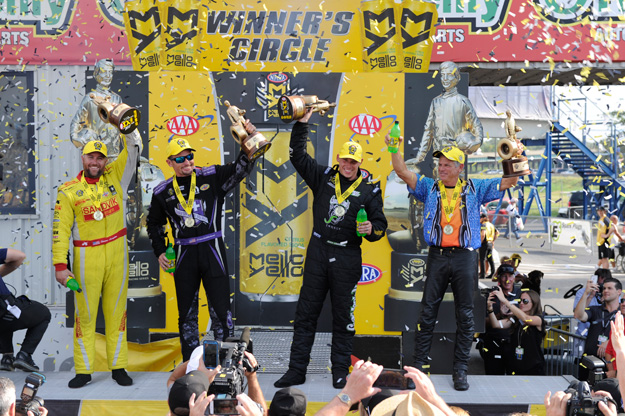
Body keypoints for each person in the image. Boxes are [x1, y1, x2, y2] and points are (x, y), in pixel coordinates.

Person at [388, 138, 517, 391]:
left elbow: (510, 181)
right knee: (427, 314)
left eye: (448, 164)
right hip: (437, 256)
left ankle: (460, 371)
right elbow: (402, 171)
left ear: (460, 167)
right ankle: (418, 371)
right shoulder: (429, 186)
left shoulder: (475, 187)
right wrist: (394, 148)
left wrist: (513, 155)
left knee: (466, 316)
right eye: (440, 164)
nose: (442, 168)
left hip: (465, 257)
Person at [274, 108, 387, 389]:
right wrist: (302, 124)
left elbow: (380, 225)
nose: (348, 165)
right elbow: (298, 157)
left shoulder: (370, 190)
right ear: (338, 158)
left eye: (353, 161)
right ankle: (296, 370)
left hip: (348, 256)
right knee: (305, 314)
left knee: (343, 318)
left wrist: (371, 229)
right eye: (345, 159)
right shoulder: (324, 177)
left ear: (360, 162)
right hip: (319, 251)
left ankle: (340, 371)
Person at [147, 134, 256, 361]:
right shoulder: (162, 192)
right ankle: (191, 364)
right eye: (180, 159)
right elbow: (153, 223)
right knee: (187, 315)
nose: (187, 162)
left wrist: (246, 140)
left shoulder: (211, 176)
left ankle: (226, 363)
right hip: (184, 254)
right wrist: (160, 250)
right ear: (169, 162)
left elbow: (241, 169)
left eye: (190, 156)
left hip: (212, 248)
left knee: (221, 312)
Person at [53, 133, 141, 388]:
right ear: (83, 158)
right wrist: (61, 266)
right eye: (91, 157)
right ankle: (83, 371)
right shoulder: (68, 191)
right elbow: (60, 230)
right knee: (85, 316)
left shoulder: (116, 177)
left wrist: (127, 128)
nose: (95, 162)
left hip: (117, 253)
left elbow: (133, 149)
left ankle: (119, 368)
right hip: (86, 257)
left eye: (100, 158)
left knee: (117, 314)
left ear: (106, 161)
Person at [415, 61, 483, 164]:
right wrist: (420, 156)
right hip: (438, 156)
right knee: (439, 174)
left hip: (455, 156)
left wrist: (477, 141)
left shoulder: (463, 101)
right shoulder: (435, 102)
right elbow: (428, 130)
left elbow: (476, 125)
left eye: (449, 75)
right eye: (443, 75)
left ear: (457, 77)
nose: (445, 78)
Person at [0, 249, 50, 372]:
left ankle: (7, 358)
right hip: (7, 312)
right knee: (43, 313)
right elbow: (20, 256)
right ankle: (24, 355)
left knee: (4, 317)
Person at [70, 59, 123, 158]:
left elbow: (122, 126)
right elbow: (77, 121)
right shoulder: (89, 99)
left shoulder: (117, 98)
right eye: (104, 72)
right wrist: (75, 137)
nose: (107, 76)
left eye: (110, 72)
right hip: (96, 154)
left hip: (114, 153)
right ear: (96, 74)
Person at [477, 264, 522, 375]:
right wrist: (498, 315)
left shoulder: (521, 294)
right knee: (494, 377)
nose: (507, 280)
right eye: (504, 276)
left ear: (514, 277)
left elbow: (528, 316)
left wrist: (514, 314)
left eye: (510, 276)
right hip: (493, 343)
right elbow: (480, 322)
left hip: (514, 344)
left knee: (515, 379)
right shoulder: (489, 295)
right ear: (498, 278)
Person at [489, 288, 546, 375]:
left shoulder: (538, 319)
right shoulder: (516, 319)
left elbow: (526, 319)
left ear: (534, 303)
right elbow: (496, 324)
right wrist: (490, 309)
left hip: (533, 367)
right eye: (520, 301)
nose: (521, 303)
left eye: (525, 301)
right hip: (516, 366)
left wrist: (505, 301)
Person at [574, 277, 622, 360]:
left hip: (613, 362)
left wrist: (610, 342)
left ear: (619, 292)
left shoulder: (622, 313)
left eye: (609, 288)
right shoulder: (595, 309)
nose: (606, 291)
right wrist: (586, 294)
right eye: (604, 288)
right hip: (590, 360)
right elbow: (578, 315)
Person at [572, 268, 612, 357]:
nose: (602, 287)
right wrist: (590, 296)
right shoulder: (582, 292)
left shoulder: (609, 294)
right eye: (600, 284)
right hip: (583, 334)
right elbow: (577, 313)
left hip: (602, 337)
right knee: (581, 360)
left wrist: (606, 300)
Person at [479, 213, 498, 280]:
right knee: (490, 258)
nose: (479, 219)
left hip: (484, 243)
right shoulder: (491, 225)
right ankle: (493, 273)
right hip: (490, 243)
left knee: (482, 259)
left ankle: (483, 274)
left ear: (483, 218)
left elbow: (483, 234)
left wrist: (480, 242)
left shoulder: (483, 225)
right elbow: (497, 232)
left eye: (480, 218)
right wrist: (493, 240)